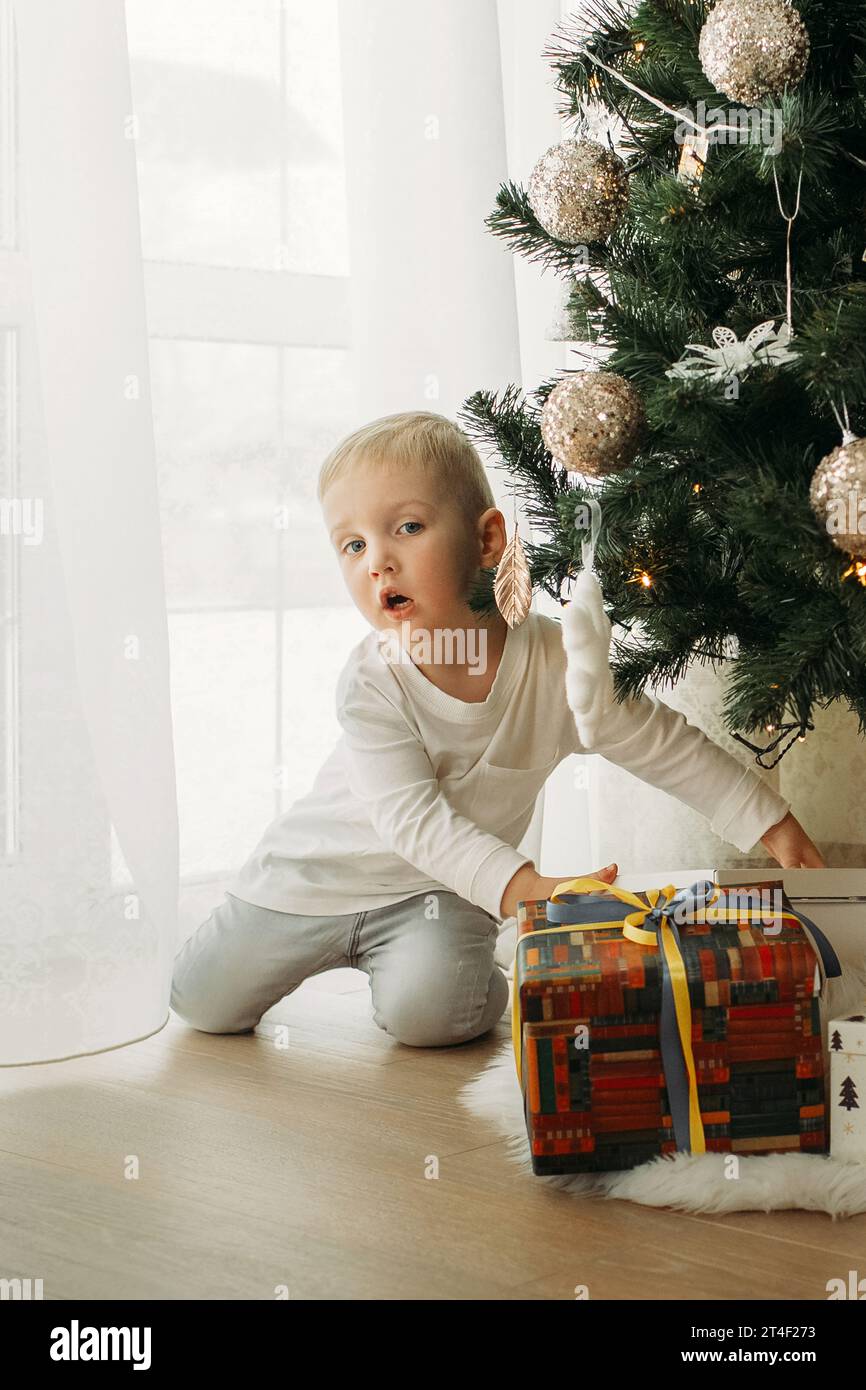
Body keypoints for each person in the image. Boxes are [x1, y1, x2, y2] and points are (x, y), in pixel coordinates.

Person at [170, 411, 824, 1047]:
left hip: (441, 891)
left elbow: (655, 739)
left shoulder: (554, 664)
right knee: (202, 1002)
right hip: (315, 880)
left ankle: (463, 958)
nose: (378, 563)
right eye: (354, 544)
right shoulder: (374, 679)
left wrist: (773, 824)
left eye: (407, 527)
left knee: (437, 1019)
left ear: (486, 541)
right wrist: (528, 890)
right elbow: (414, 820)